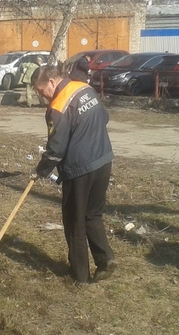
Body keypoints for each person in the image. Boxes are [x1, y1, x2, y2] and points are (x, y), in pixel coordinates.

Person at [32, 65, 116, 284]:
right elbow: (103, 118)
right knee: (92, 214)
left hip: (80, 170)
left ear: (51, 82)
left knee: (74, 221)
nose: (43, 97)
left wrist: (41, 170)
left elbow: (56, 148)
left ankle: (79, 276)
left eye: (42, 92)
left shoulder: (58, 106)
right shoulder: (85, 89)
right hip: (103, 160)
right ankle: (105, 259)